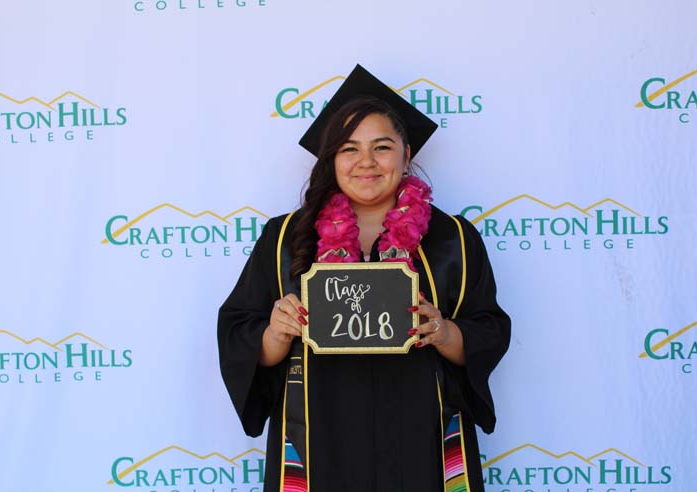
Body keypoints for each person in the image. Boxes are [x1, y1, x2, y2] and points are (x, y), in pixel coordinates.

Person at [218, 65, 510, 492]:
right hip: (320, 435)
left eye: (382, 147)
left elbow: (489, 329)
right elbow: (239, 334)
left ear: (407, 154)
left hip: (421, 434)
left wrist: (444, 332)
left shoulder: (454, 239)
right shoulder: (284, 238)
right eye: (349, 149)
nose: (366, 163)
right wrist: (276, 334)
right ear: (330, 159)